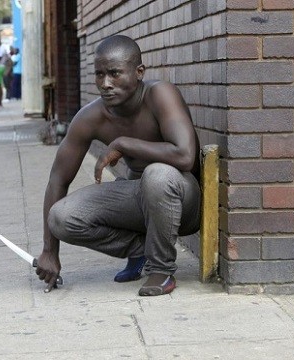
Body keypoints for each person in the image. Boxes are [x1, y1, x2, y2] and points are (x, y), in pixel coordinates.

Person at [35, 35, 201, 296]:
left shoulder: (160, 94)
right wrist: (49, 251)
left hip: (182, 199)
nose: (105, 84)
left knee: (155, 174)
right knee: (60, 217)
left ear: (139, 72)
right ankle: (139, 251)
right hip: (137, 196)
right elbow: (58, 179)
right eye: (99, 75)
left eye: (114, 73)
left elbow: (185, 156)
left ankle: (161, 269)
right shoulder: (91, 117)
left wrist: (124, 144)